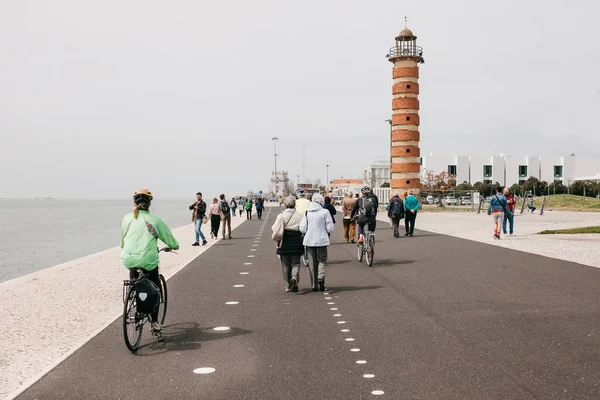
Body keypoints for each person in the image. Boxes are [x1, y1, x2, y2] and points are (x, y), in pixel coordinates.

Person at [120, 189, 179, 332]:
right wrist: (173, 246)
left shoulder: (126, 219)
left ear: (134, 203)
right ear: (149, 203)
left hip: (129, 259)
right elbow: (169, 239)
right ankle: (154, 322)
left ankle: (136, 307)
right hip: (148, 261)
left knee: (136, 283)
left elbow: (122, 242)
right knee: (155, 289)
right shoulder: (154, 220)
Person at [300, 193, 334, 292]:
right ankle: (321, 278)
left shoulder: (307, 212)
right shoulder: (325, 212)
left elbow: (302, 228)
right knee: (322, 260)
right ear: (321, 202)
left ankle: (314, 285)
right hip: (322, 240)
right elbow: (330, 228)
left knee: (312, 262)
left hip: (309, 240)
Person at [271, 196, 304, 292]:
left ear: (285, 204)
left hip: (284, 243)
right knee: (296, 263)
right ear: (294, 204)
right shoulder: (300, 216)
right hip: (297, 242)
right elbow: (303, 229)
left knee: (285, 265)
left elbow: (274, 228)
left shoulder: (281, 216)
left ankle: (287, 285)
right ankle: (294, 277)